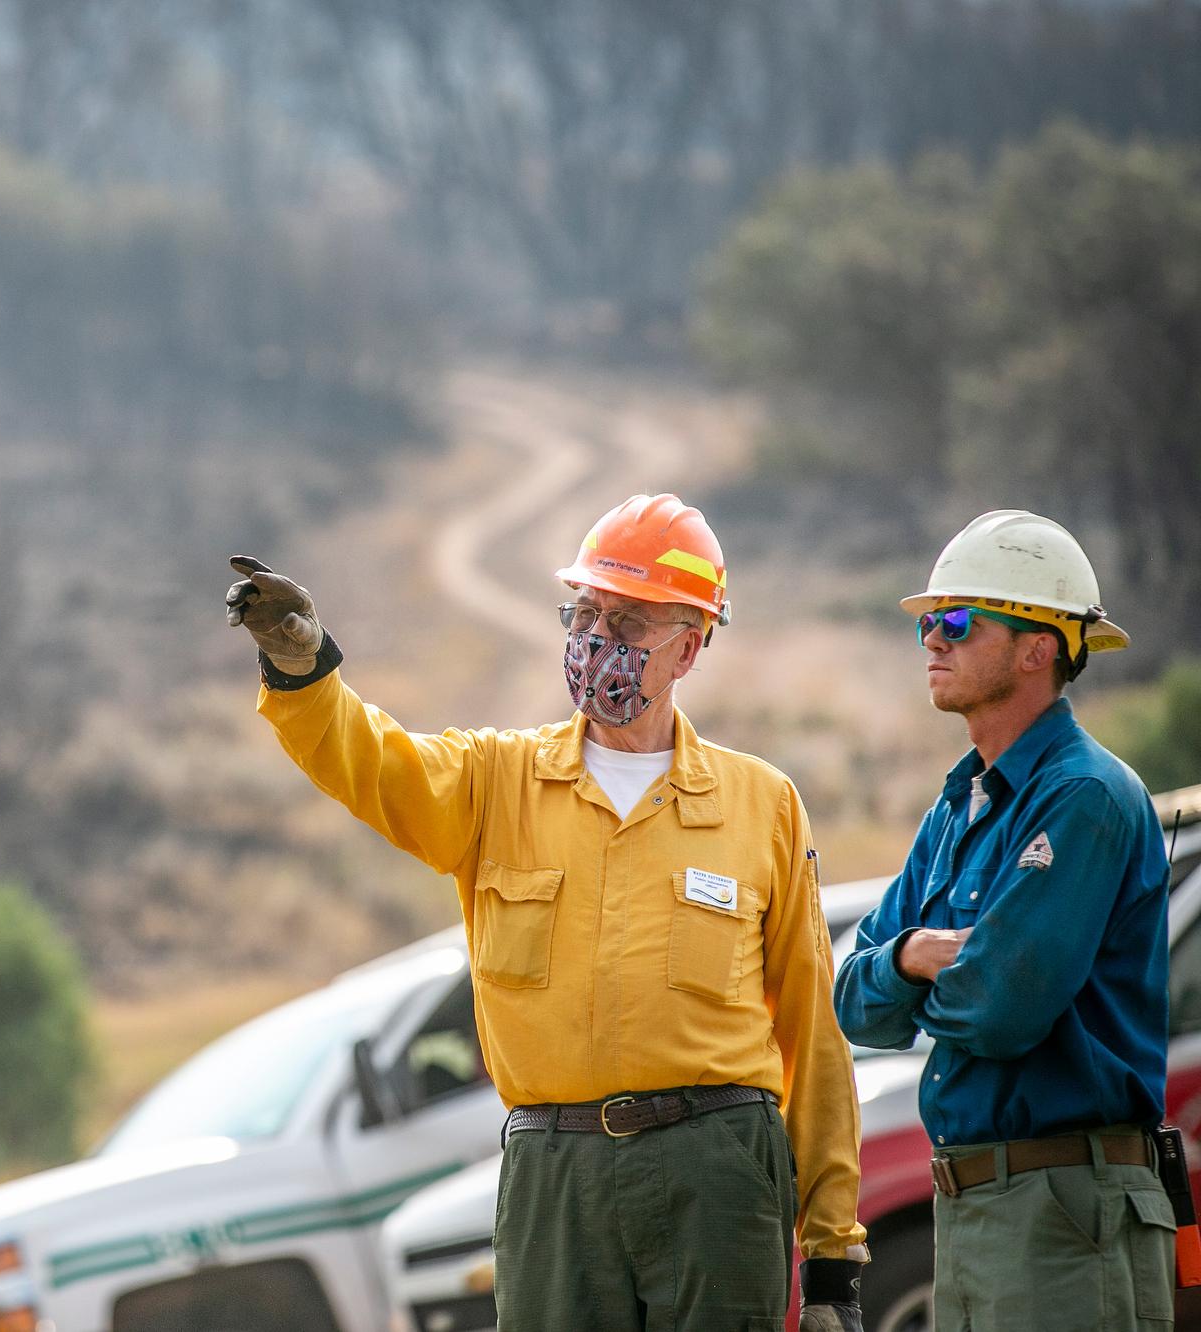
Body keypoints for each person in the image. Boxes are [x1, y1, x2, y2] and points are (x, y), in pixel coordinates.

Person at [226, 493, 868, 1331]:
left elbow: (812, 1038)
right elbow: (373, 765)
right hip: (554, 1172)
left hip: (717, 1171)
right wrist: (304, 670)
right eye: (587, 612)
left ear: (691, 645)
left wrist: (832, 1257)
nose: (601, 640)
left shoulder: (762, 805)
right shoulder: (497, 781)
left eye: (631, 622)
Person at [833, 509, 1173, 1331]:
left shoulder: (1085, 796)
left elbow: (999, 1011)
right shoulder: (959, 806)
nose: (931, 641)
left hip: (1067, 1213)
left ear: (1038, 648)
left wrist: (925, 986)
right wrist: (913, 957)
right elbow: (847, 995)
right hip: (980, 1208)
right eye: (927, 622)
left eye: (956, 620)